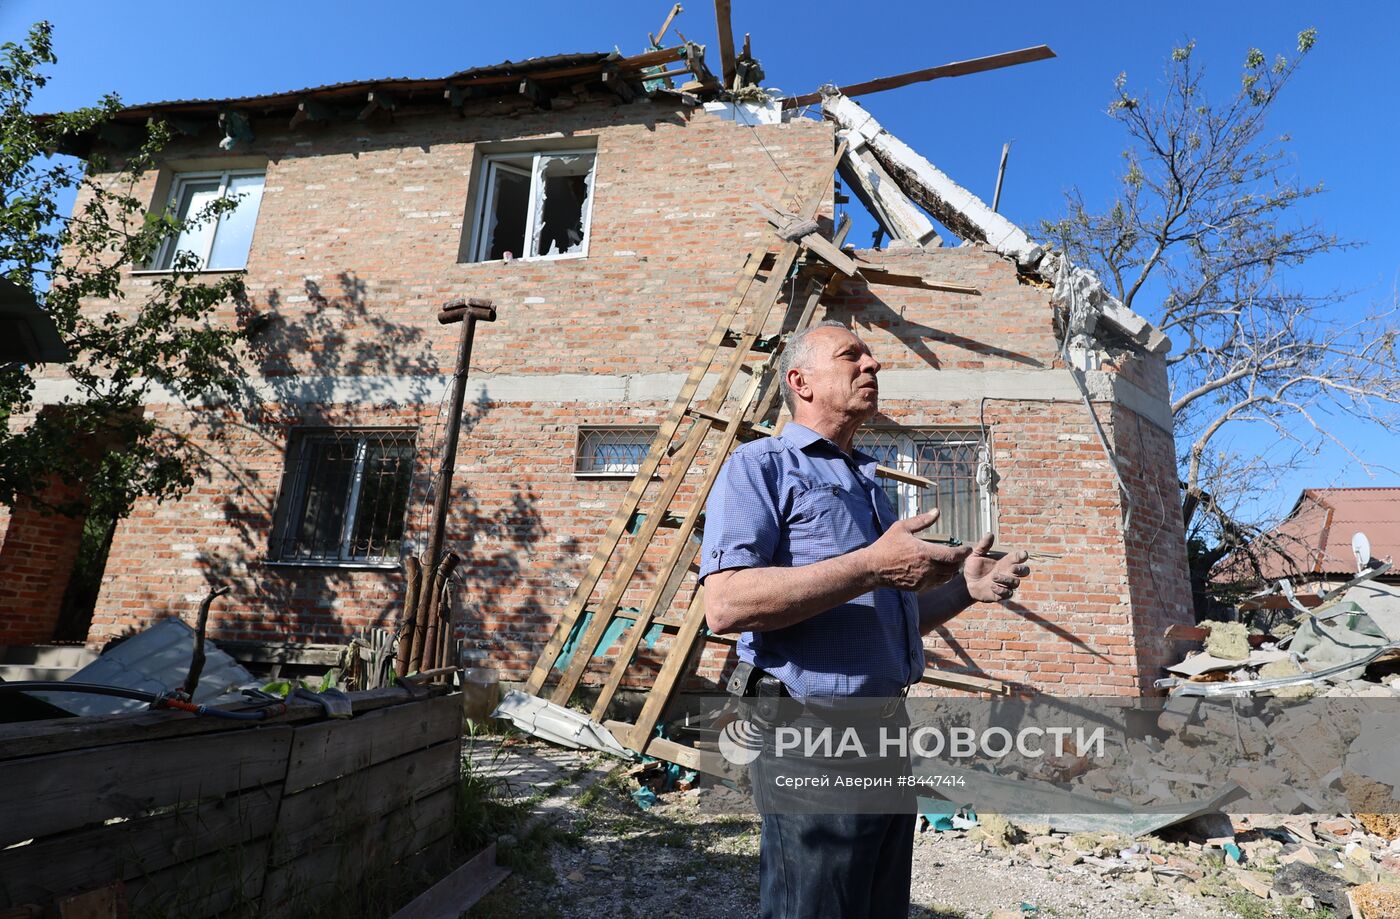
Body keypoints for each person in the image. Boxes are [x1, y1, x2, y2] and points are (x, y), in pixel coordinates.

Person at [698, 320, 1032, 919]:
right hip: (809, 732)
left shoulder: (867, 483)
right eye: (851, 355)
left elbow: (876, 621)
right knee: (819, 907)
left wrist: (964, 591)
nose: (872, 363)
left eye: (871, 355)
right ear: (799, 381)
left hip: (882, 730)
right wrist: (873, 566)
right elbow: (725, 604)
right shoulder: (761, 466)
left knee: (876, 904)